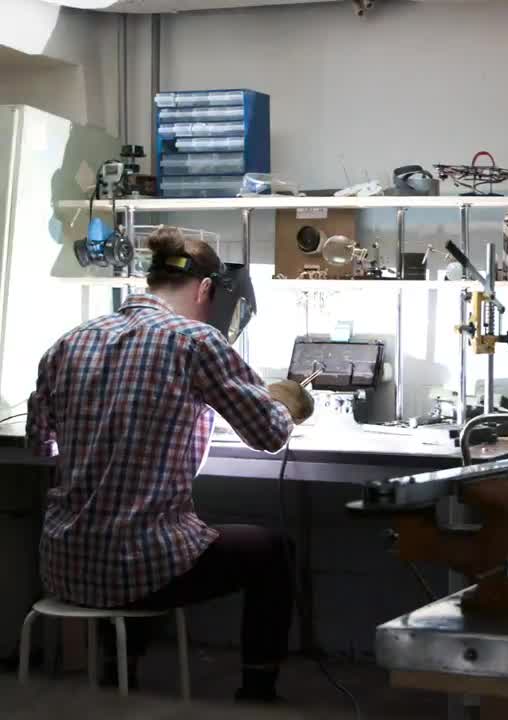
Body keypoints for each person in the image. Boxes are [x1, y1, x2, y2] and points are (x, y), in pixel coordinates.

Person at [26, 228, 313, 702]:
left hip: (64, 564)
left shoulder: (69, 342)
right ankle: (257, 693)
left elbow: (42, 445)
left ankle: (121, 672)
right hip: (138, 568)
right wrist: (288, 402)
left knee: (143, 533)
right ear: (205, 290)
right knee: (269, 550)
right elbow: (268, 435)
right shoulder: (196, 341)